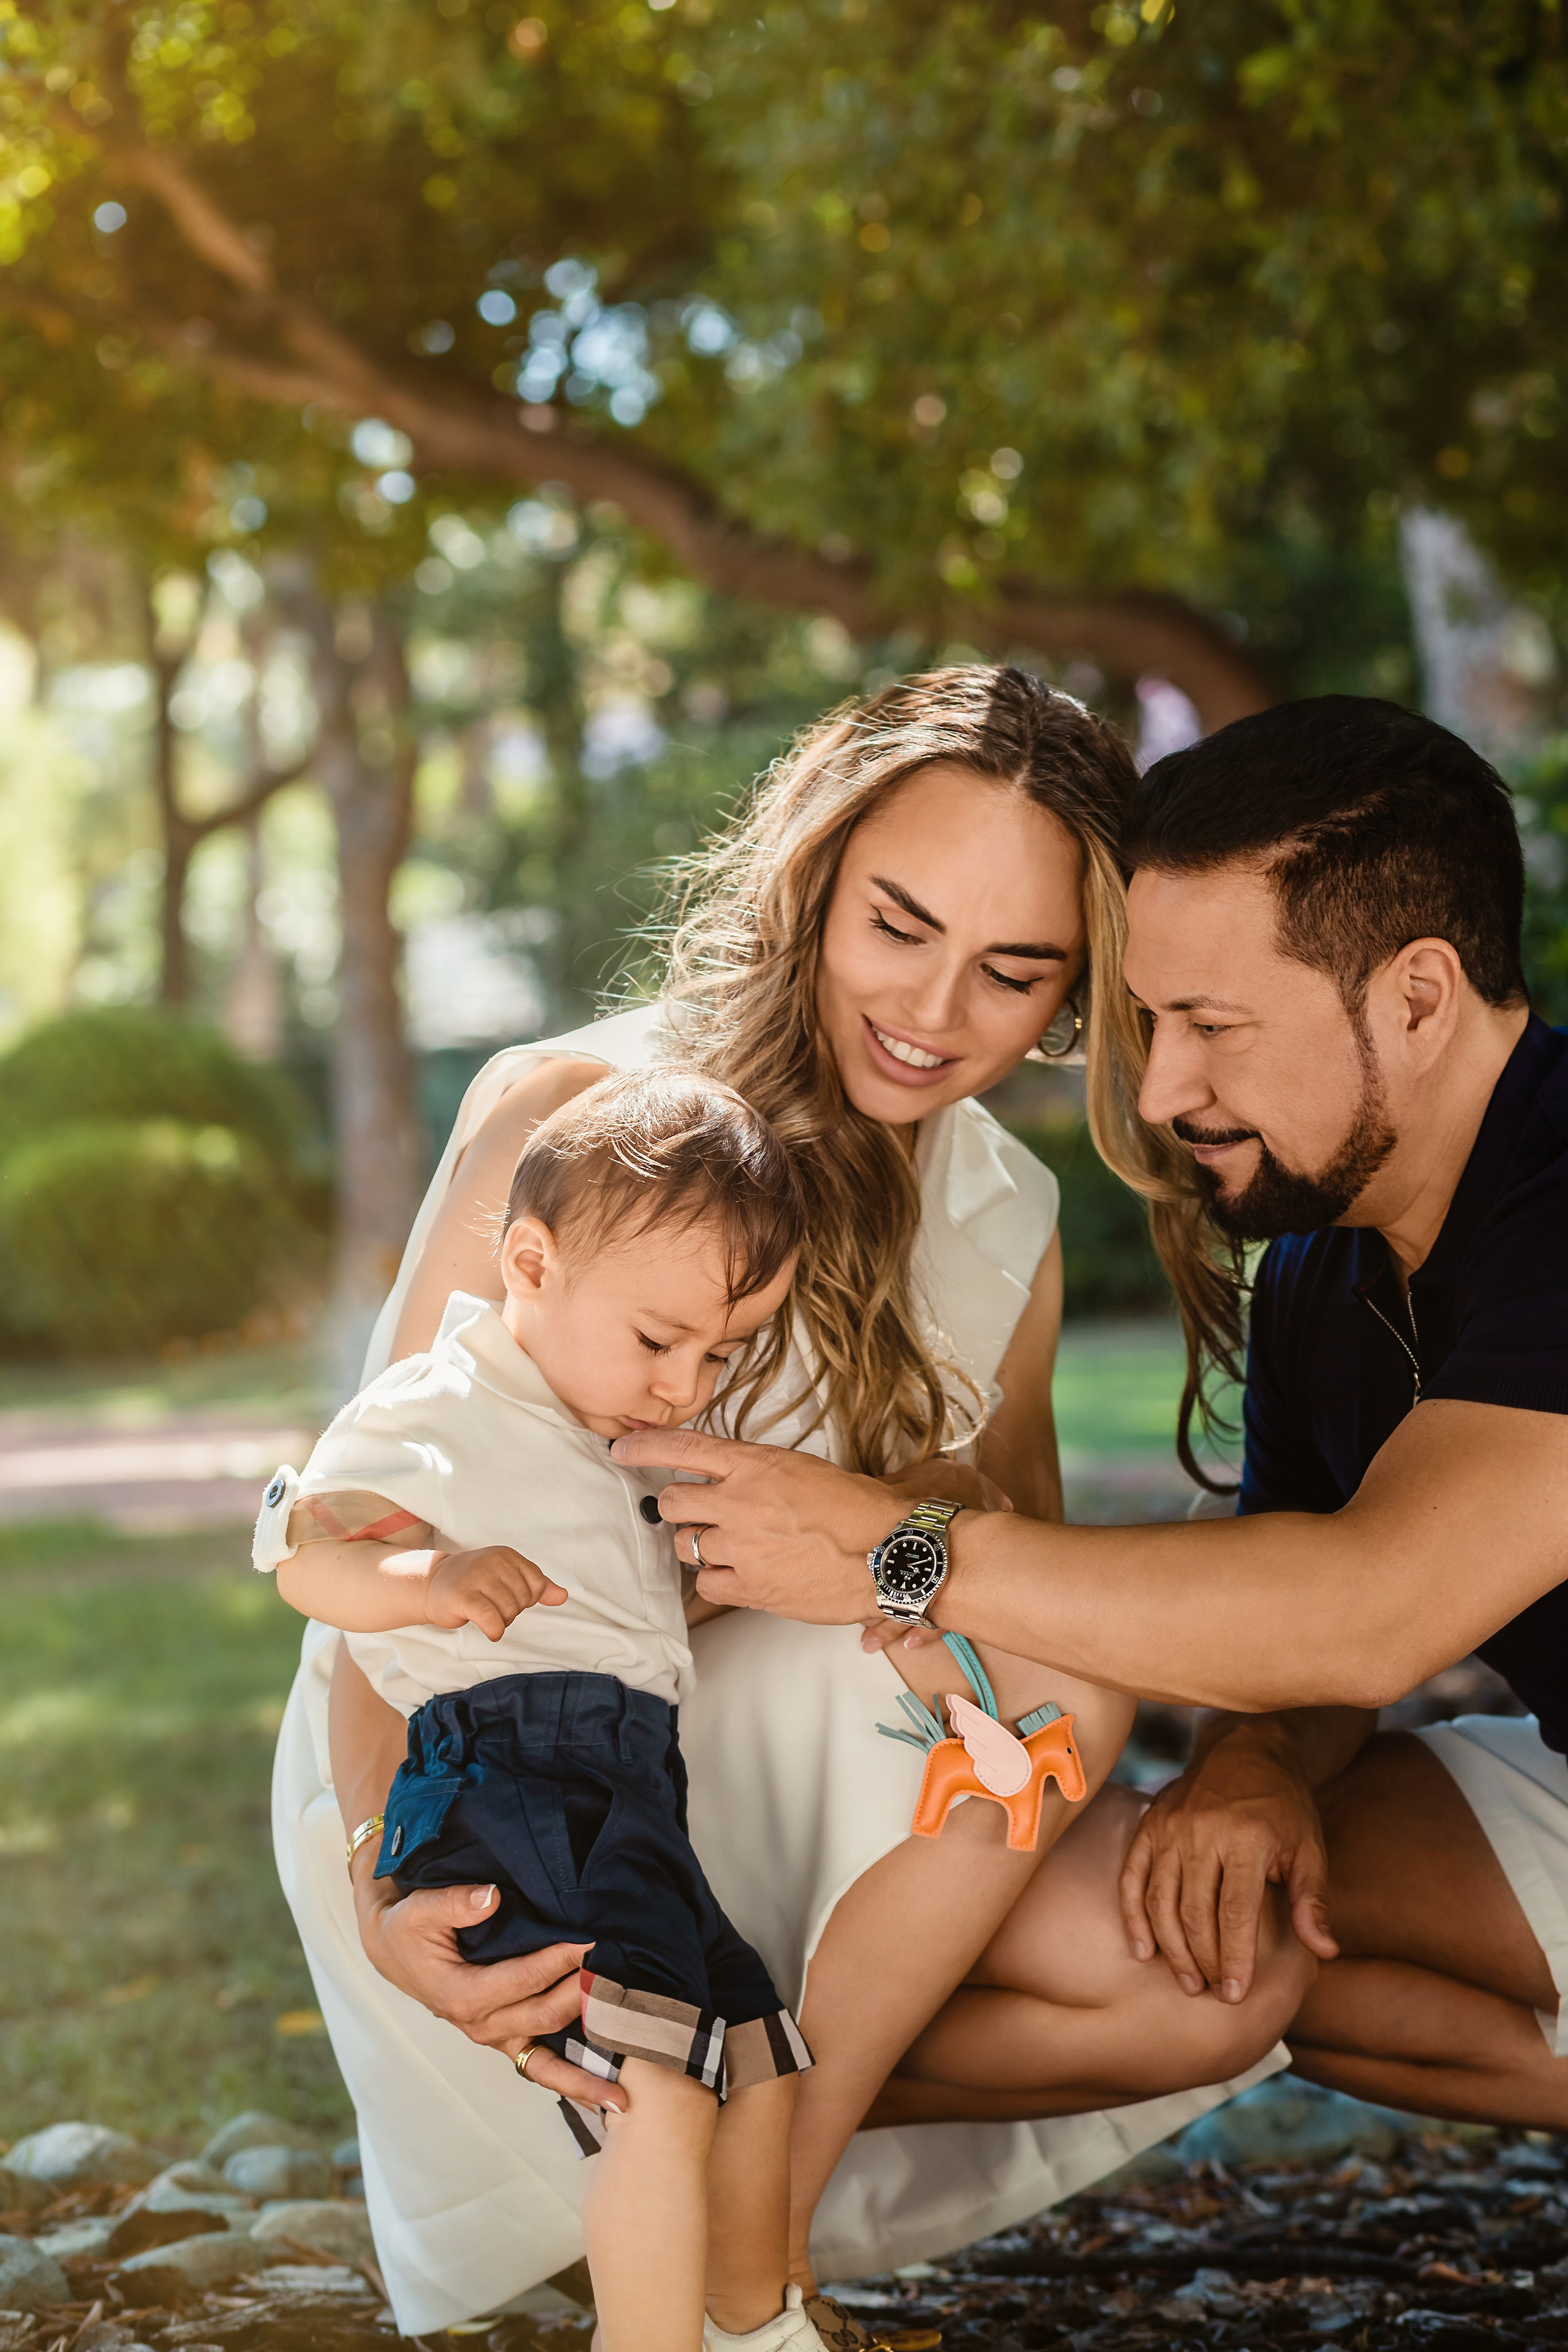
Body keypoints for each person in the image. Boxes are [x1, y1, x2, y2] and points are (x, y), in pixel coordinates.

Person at [271, 666, 1303, 2340]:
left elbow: (1004, 1576)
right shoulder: (585, 1123)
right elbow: (380, 1533)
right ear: (815, 879)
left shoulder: (1010, 1215)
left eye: (1014, 970)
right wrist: (387, 1886)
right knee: (1061, 1672)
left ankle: (741, 2201)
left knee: (1214, 1977)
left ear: (1076, 991)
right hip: (495, 1769)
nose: (935, 1010)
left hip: (797, 1776)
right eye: (898, 924)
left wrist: (872, 1544)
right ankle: (744, 2273)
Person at [616, 695, 1568, 2135]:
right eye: (1146, 1020)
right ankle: (684, 2099)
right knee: (1199, 1926)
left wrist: (891, 1546)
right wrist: (1252, 1764)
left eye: (1211, 1026)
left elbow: (1373, 1610)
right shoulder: (1321, 1274)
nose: (1166, 1087)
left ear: (1417, 997)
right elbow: (1286, 1620)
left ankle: (700, 2109)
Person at [261, 1071, 827, 2352]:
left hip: (625, 1779)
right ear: (530, 1263)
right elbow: (305, 1557)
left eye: (718, 1356)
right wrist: (431, 1577)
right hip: (514, 1765)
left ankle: (753, 2324)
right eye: (658, 1341)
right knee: (656, 2089)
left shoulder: (597, 1428)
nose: (683, 1385)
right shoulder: (442, 1403)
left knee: (752, 2058)